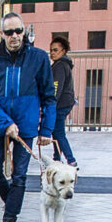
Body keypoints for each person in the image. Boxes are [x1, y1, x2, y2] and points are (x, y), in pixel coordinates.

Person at [0, 11, 55, 222]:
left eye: (18, 31)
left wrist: (46, 130)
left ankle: (10, 220)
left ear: (25, 32)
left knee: (19, 175)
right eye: (9, 32)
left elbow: (49, 97)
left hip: (27, 124)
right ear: (2, 34)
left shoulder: (39, 58)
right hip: (0, 125)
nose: (15, 36)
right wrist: (5, 123)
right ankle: (12, 203)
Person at [49, 36, 79, 170]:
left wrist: (51, 105)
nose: (52, 53)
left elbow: (56, 87)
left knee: (59, 133)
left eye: (56, 50)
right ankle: (56, 158)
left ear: (63, 51)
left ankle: (71, 160)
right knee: (56, 132)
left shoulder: (60, 66)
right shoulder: (63, 64)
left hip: (60, 105)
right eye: (51, 50)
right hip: (65, 103)